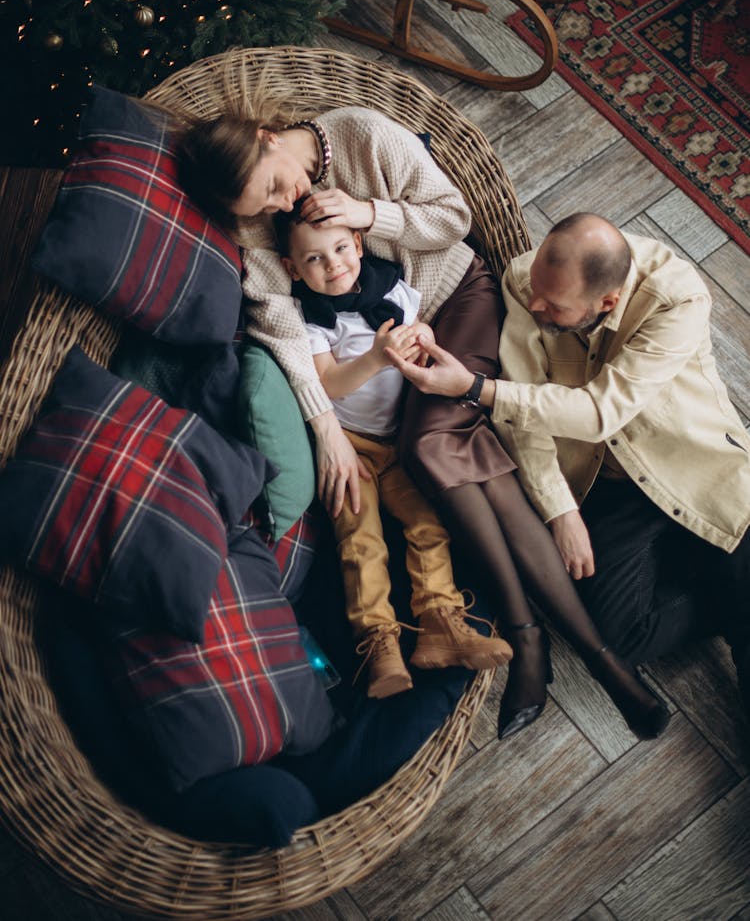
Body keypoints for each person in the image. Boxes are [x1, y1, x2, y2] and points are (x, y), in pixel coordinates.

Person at [176, 103, 670, 740]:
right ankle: (595, 658)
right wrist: (327, 430)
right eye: (261, 208)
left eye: (275, 186)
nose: (280, 205)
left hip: (455, 299)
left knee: (428, 443)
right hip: (391, 366)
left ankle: (527, 636)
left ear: (270, 138)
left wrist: (366, 214)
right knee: (446, 453)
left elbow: (454, 219)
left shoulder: (362, 136)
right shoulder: (260, 234)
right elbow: (284, 335)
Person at [386, 212, 750, 719]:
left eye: (554, 306)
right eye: (536, 288)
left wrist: (473, 388)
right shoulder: (523, 281)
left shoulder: (677, 296)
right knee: (621, 637)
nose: (534, 305)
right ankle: (724, 587)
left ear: (608, 302)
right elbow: (523, 418)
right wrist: (559, 509)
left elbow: (601, 412)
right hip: (610, 485)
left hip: (694, 467)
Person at [274, 208, 513, 698]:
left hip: (401, 440)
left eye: (341, 249)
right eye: (315, 259)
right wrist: (375, 357)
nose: (334, 265)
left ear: (359, 245)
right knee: (360, 540)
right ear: (293, 268)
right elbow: (329, 384)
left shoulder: (393, 287)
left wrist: (422, 339)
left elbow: (422, 335)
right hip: (351, 447)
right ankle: (379, 641)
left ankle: (439, 620)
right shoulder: (311, 318)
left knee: (429, 525)